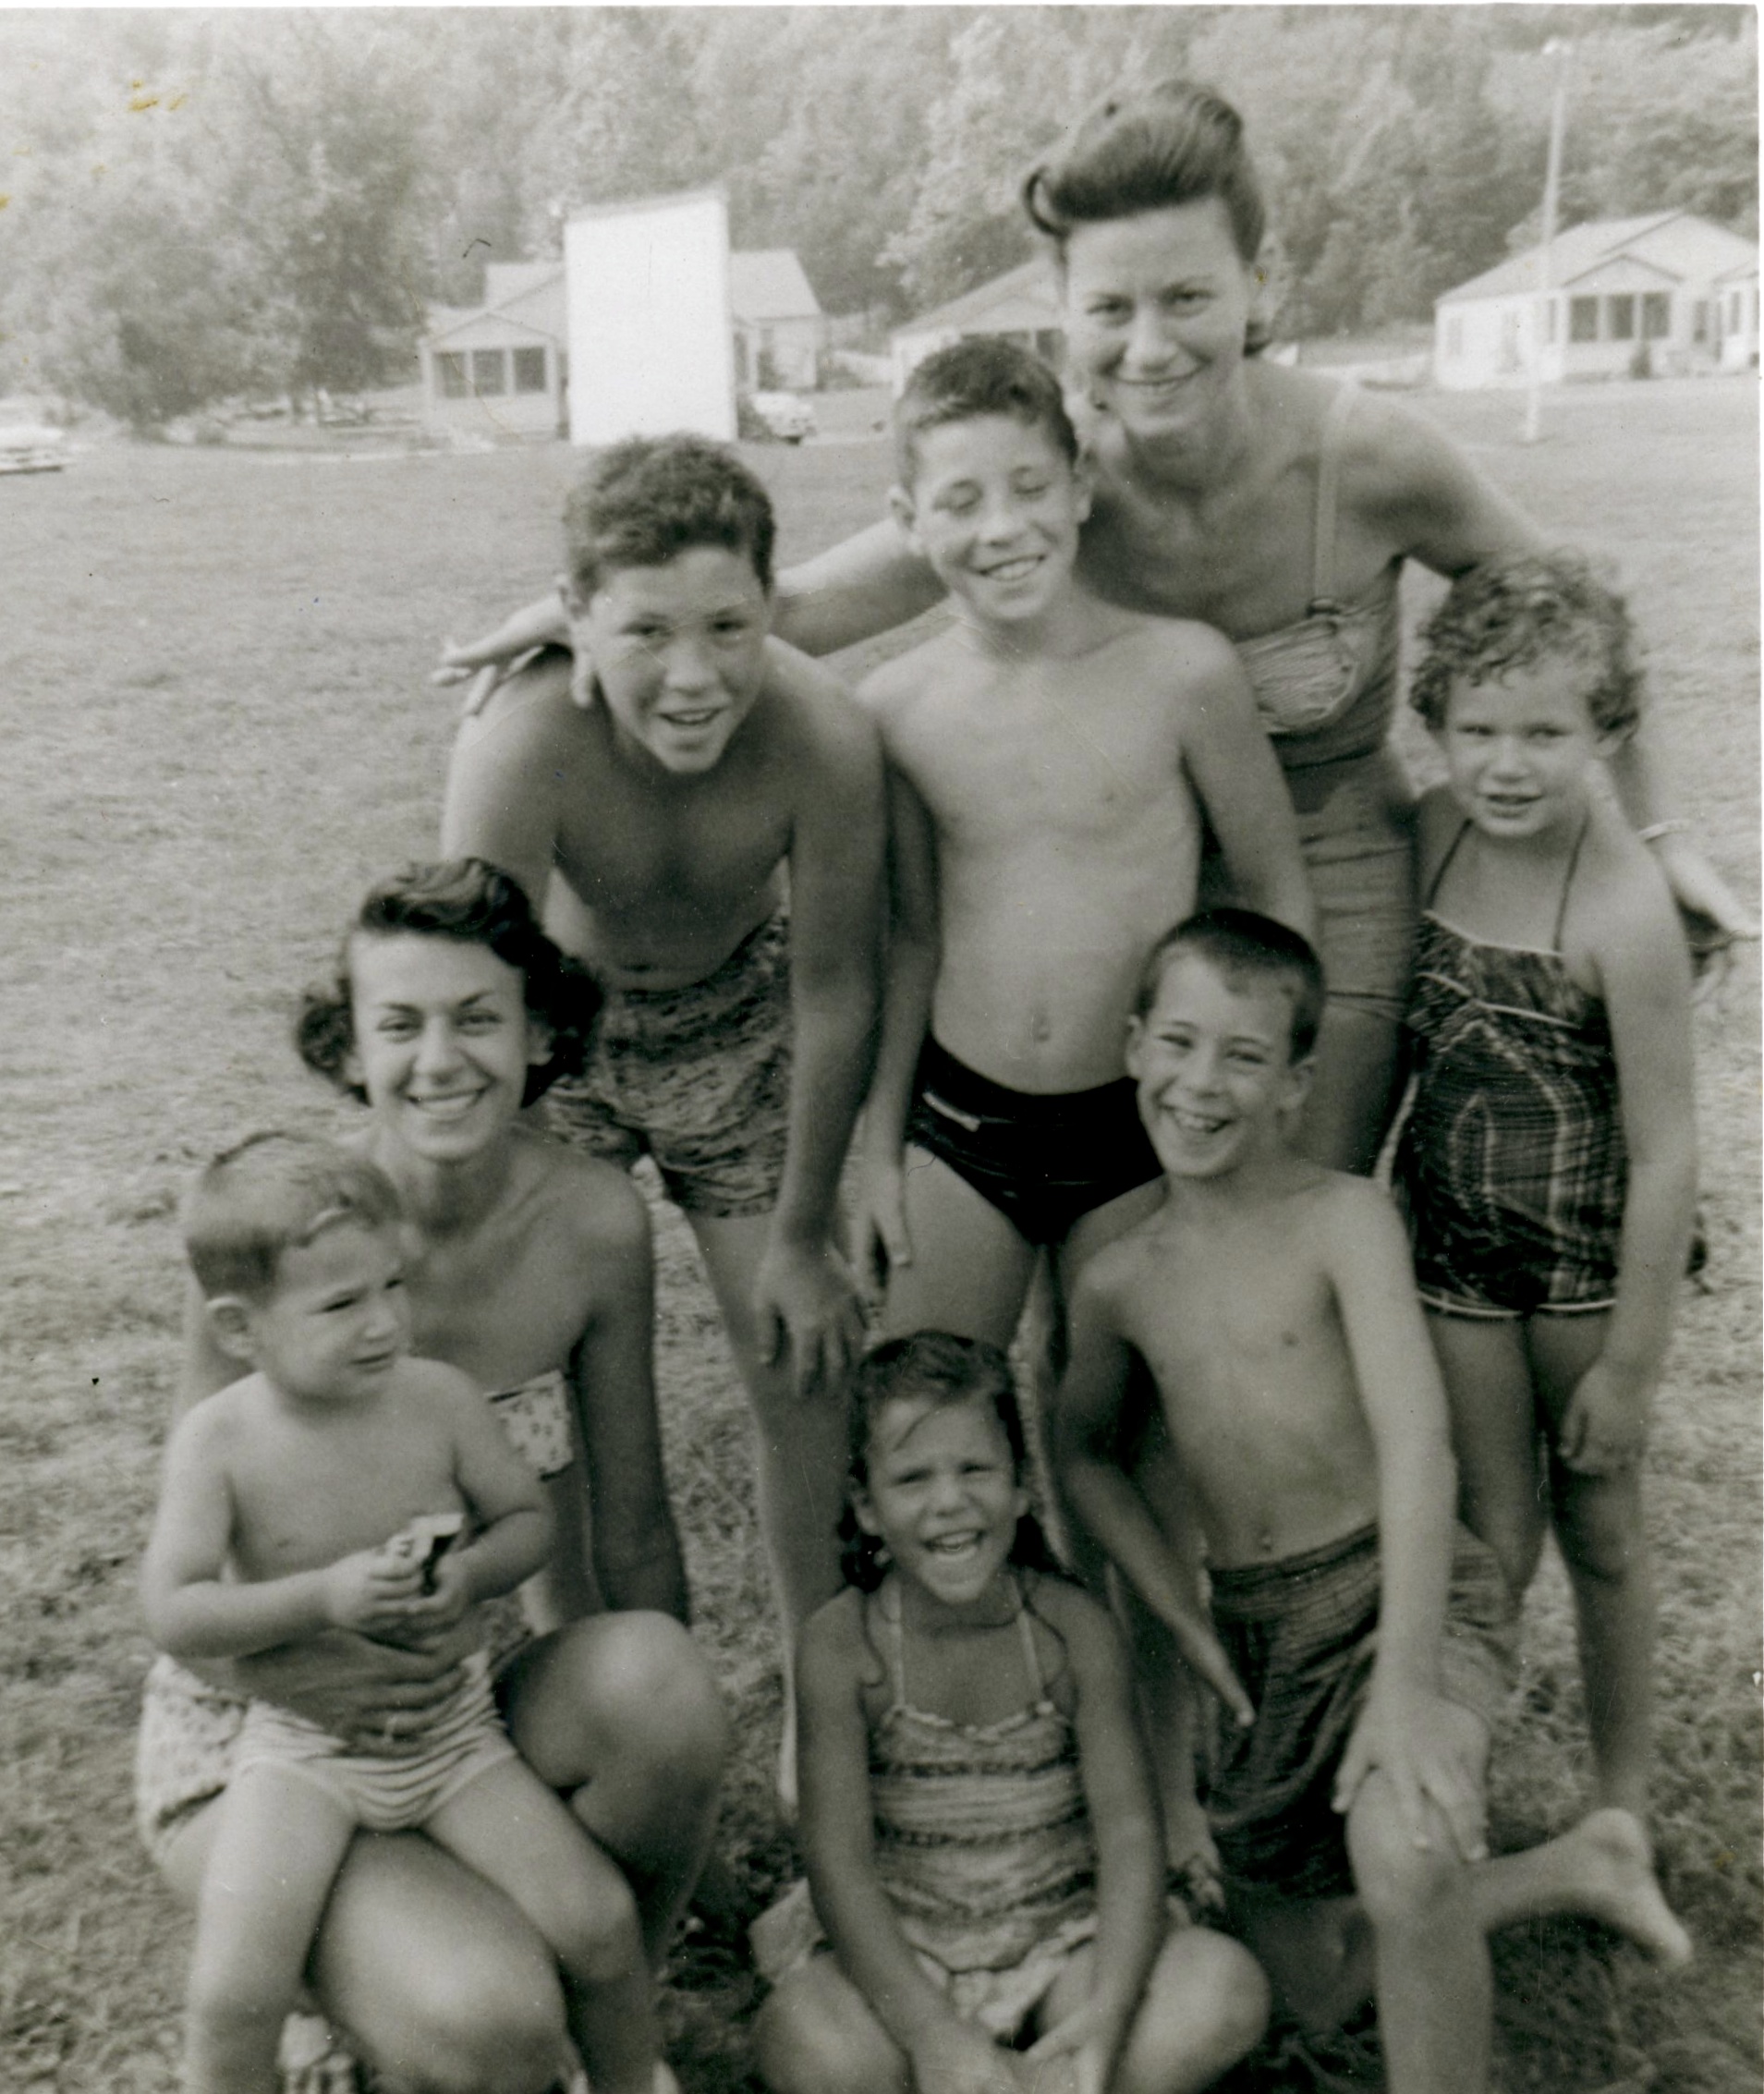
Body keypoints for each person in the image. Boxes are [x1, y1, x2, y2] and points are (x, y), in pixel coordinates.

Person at [439, 79, 1752, 1178]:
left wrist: (1653, 837)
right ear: (1062, 313)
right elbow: (793, 610)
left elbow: (1574, 618)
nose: (1148, 346)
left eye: (1187, 299)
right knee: (1133, 1201)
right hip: (1134, 872)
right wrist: (575, 624)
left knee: (1294, 1186)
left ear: (1256, 283)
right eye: (1108, 309)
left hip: (1333, 855)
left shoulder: (1368, 457)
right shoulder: (1053, 482)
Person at [1055, 911, 1693, 2094]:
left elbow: (1417, 1446)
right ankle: (1579, 1862)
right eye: (1181, 1043)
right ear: (1135, 1043)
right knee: (1298, 1988)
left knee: (1402, 1850)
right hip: (1260, 1630)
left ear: (1296, 1084)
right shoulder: (1116, 1283)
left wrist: (1401, 1687)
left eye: (1244, 1057)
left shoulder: (1344, 1219)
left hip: (1404, 1589)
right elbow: (1082, 1452)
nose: (1202, 1084)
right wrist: (1183, 1617)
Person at [138, 861, 726, 2094]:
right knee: (488, 2023)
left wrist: (658, 1779)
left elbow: (629, 1527)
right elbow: (192, 1602)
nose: (440, 1059)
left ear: (540, 1031)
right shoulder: (283, 1247)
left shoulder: (592, 1222)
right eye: (399, 1024)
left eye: (476, 1017)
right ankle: (350, 1983)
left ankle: (602, 2016)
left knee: (665, 1684)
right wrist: (325, 1659)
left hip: (452, 1708)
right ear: (349, 1045)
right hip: (267, 1732)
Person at [440, 436, 884, 1725]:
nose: (694, 678)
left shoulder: (822, 735)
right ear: (573, 619)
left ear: (772, 604)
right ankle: (582, 1670)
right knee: (537, 1370)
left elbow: (835, 987)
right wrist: (502, 1232)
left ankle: (826, 1688)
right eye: (645, 633)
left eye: (729, 626)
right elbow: (482, 1004)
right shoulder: (522, 745)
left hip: (739, 1023)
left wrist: (803, 1231)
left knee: (806, 1354)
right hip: (557, 1042)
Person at [142, 1135, 669, 2094]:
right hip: (302, 1750)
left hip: (453, 1735)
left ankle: (633, 2078)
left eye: (393, 1284)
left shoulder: (438, 1400)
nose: (385, 1321)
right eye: (342, 1303)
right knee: (232, 1988)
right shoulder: (220, 1441)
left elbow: (526, 1519)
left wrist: (468, 1576)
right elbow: (173, 1608)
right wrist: (320, 1598)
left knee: (596, 1918)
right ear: (237, 1325)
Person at [855, 335, 1312, 1350]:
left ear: (1080, 489)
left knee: (1109, 1432)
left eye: (1029, 487)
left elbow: (1274, 891)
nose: (1003, 527)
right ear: (908, 522)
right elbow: (910, 942)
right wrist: (878, 1149)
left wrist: (1255, 1117)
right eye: (961, 500)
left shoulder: (1182, 672)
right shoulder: (892, 709)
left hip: (1144, 1124)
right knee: (929, 1418)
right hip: (962, 1123)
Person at [749, 1332, 1271, 2094]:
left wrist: (1106, 2020)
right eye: (913, 1477)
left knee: (1222, 1990)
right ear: (865, 1505)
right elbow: (839, 1864)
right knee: (807, 2042)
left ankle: (1054, 2077)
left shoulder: (1072, 1631)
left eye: (974, 1469)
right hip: (904, 1956)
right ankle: (982, 2077)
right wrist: (930, 2035)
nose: (949, 1501)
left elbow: (1129, 1836)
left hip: (1063, 1944)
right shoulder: (842, 1647)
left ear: (1022, 1486)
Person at [1394, 555, 1695, 1874]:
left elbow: (1669, 1150)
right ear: (1435, 722)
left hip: (1582, 1273)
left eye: (1545, 734)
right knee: (1490, 1531)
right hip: (1452, 1250)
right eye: (1477, 730)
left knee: (1604, 1525)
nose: (1505, 765)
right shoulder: (1429, 833)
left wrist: (1630, 1364)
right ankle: (1451, 1771)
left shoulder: (1625, 908)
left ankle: (1619, 1796)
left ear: (1607, 736)